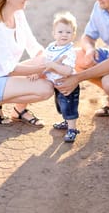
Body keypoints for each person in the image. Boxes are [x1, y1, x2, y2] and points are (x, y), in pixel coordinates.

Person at [44, 12, 80, 142]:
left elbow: (67, 71)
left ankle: (72, 129)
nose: (64, 34)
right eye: (60, 32)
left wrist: (53, 65)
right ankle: (66, 122)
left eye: (68, 32)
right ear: (54, 33)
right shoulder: (51, 47)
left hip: (67, 84)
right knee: (61, 105)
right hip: (56, 85)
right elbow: (45, 63)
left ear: (73, 35)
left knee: (69, 107)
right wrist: (37, 72)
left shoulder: (69, 52)